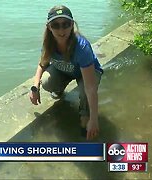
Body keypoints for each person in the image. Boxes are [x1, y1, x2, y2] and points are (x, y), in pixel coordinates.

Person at [29, 5, 103, 140]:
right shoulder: (48, 43)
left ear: (72, 25)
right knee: (46, 81)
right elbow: (42, 64)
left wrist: (94, 119)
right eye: (56, 25)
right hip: (66, 70)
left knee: (85, 92)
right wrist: (35, 88)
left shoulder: (81, 47)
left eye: (66, 24)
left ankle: (84, 115)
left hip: (88, 74)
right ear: (49, 27)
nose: (61, 30)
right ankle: (59, 89)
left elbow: (90, 88)